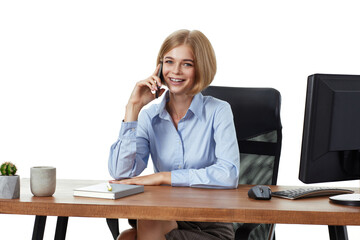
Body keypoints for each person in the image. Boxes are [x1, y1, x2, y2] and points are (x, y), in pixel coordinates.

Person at [108, 29, 240, 240]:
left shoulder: (218, 111)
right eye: (169, 62)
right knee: (131, 233)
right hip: (167, 214)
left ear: (201, 68)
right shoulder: (149, 116)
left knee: (138, 230)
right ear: (159, 67)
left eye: (187, 64)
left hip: (209, 222)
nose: (175, 71)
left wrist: (163, 177)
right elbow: (121, 174)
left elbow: (228, 174)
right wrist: (132, 108)